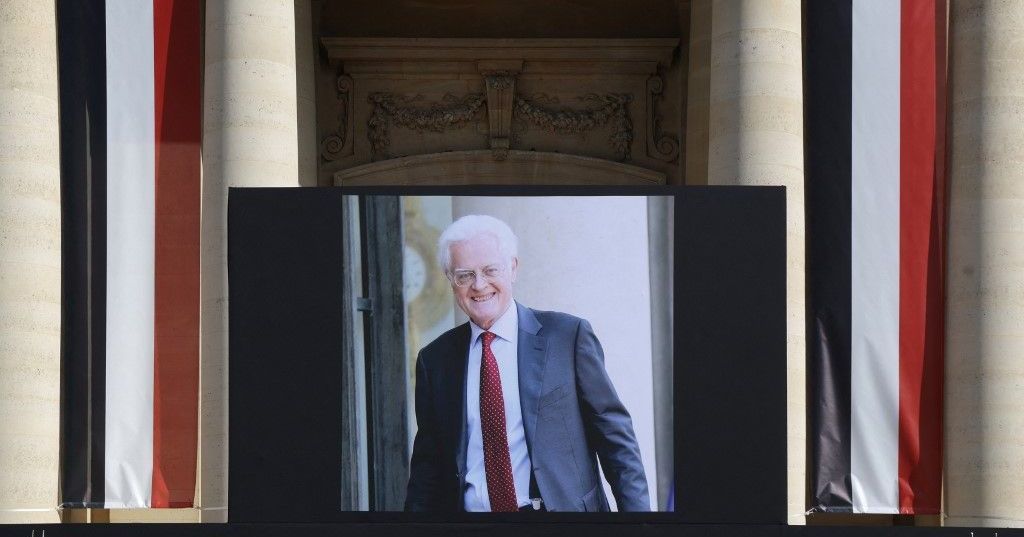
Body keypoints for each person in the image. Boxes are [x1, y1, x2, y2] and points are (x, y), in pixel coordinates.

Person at [404, 214, 650, 512]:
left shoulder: (567, 337)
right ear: (450, 280)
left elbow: (615, 440)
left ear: (513, 268)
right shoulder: (435, 361)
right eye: (464, 274)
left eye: (490, 270)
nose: (479, 285)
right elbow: (427, 468)